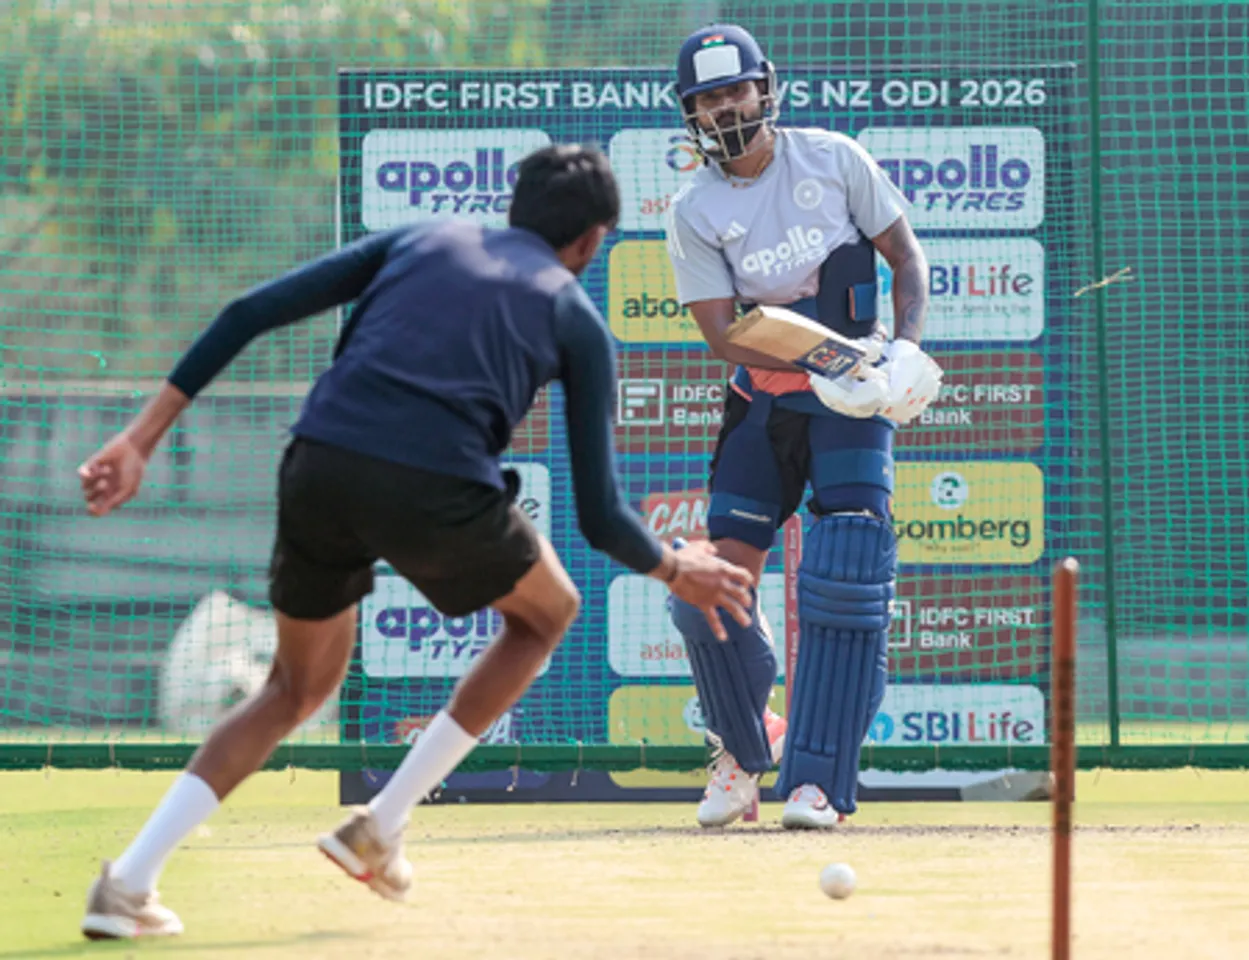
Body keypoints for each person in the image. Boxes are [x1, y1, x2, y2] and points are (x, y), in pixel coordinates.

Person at [77, 144, 756, 939]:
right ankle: (382, 824)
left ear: (516, 208)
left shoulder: (424, 236)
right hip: (434, 484)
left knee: (292, 691)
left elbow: (244, 313)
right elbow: (600, 516)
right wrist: (677, 567)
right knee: (546, 613)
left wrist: (139, 439)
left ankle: (128, 882)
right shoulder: (575, 315)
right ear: (591, 242)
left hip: (317, 465)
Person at [663, 24, 943, 829]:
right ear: (692, 113)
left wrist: (902, 355)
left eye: (733, 91)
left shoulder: (832, 157)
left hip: (855, 401)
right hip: (766, 400)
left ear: (764, 88)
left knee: (849, 567)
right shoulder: (695, 209)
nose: (723, 110)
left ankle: (818, 780)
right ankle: (743, 754)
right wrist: (816, 354)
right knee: (704, 586)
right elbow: (720, 333)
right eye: (706, 99)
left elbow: (904, 255)